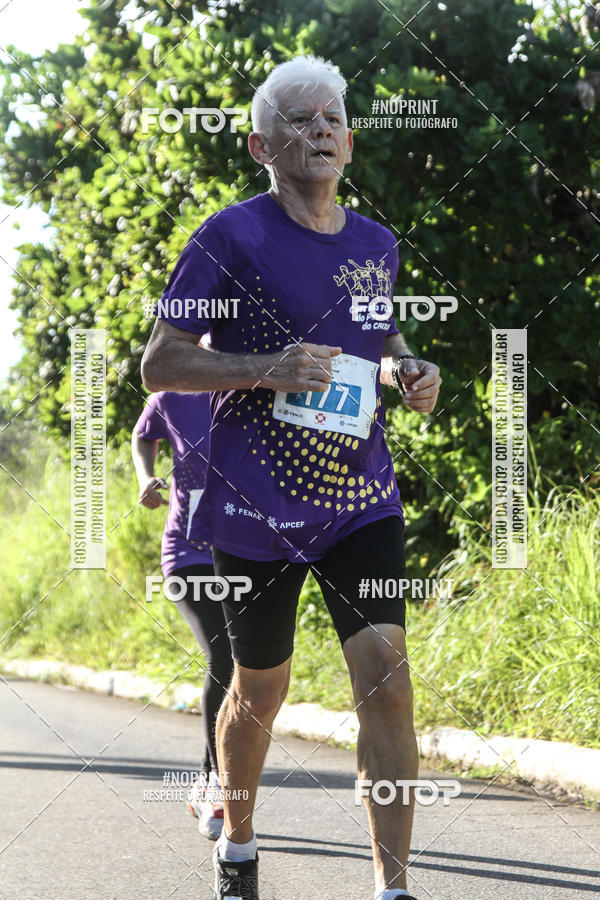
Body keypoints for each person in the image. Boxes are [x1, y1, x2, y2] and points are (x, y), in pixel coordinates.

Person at [141, 54, 441, 900]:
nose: (321, 130)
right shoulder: (227, 237)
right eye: (300, 120)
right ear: (260, 145)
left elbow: (379, 340)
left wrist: (408, 368)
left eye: (333, 119)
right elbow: (160, 363)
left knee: (386, 671)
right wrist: (263, 367)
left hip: (358, 494)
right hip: (255, 505)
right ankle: (237, 843)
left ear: (350, 140)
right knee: (259, 690)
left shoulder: (376, 244)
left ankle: (393, 888)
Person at [131, 389, 234, 840]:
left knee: (250, 666)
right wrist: (145, 477)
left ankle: (207, 778)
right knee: (223, 655)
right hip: (188, 554)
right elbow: (143, 434)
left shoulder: (253, 385)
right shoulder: (172, 394)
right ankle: (215, 784)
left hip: (244, 552)